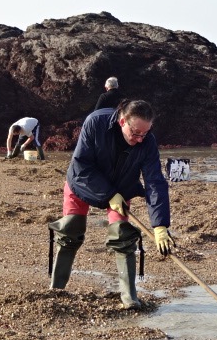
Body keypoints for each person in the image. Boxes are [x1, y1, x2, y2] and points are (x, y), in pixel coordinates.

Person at [48, 99, 174, 309]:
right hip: (83, 183)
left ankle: (129, 298)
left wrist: (160, 225)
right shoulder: (95, 123)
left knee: (123, 235)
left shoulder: (147, 142)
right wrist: (108, 194)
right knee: (70, 231)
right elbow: (82, 166)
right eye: (136, 133)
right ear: (122, 120)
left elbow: (155, 182)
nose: (140, 139)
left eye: (145, 134)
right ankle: (56, 290)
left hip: (121, 187)